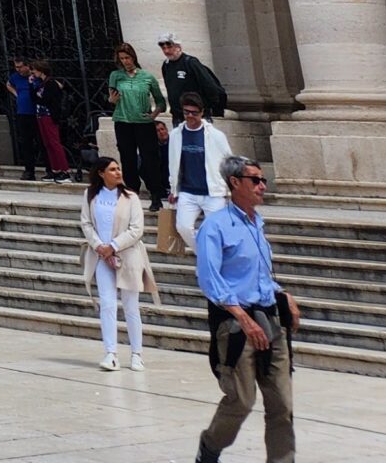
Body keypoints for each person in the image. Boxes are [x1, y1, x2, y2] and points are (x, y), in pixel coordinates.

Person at [192, 156, 298, 463]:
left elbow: (258, 274)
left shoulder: (257, 223)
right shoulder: (215, 226)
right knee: (241, 400)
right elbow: (211, 279)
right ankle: (210, 447)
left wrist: (283, 294)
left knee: (282, 404)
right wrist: (242, 317)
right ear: (235, 183)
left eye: (263, 180)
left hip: (269, 318)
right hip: (236, 325)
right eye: (256, 180)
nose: (262, 186)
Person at [79, 156, 153, 372]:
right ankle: (110, 352)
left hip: (127, 256)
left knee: (131, 306)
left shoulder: (130, 197)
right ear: (101, 173)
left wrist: (113, 245)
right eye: (112, 169)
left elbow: (136, 229)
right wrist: (99, 246)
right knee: (108, 304)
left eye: (118, 168)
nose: (118, 172)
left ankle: (136, 353)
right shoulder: (91, 195)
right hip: (101, 257)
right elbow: (86, 222)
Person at [102, 44, 167, 206]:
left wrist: (153, 115)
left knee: (149, 158)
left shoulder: (147, 77)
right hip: (123, 121)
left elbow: (160, 101)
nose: (126, 61)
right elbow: (111, 98)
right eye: (122, 58)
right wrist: (111, 100)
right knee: (127, 158)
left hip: (143, 123)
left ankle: (156, 194)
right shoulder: (116, 76)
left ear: (134, 57)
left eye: (128, 58)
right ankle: (132, 192)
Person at [165, 96, 232, 246]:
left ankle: (214, 258)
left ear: (202, 113)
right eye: (186, 112)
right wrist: (173, 189)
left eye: (194, 113)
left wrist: (229, 189)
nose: (190, 116)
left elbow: (229, 162)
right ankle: (204, 255)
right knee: (183, 227)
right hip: (187, 191)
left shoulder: (216, 136)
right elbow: (173, 163)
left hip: (213, 192)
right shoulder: (176, 135)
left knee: (215, 230)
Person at [157, 33, 227, 121]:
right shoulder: (166, 66)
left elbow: (209, 85)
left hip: (196, 114)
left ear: (178, 46)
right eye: (163, 48)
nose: (166, 51)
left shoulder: (191, 63)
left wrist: (210, 108)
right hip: (178, 115)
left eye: (169, 47)